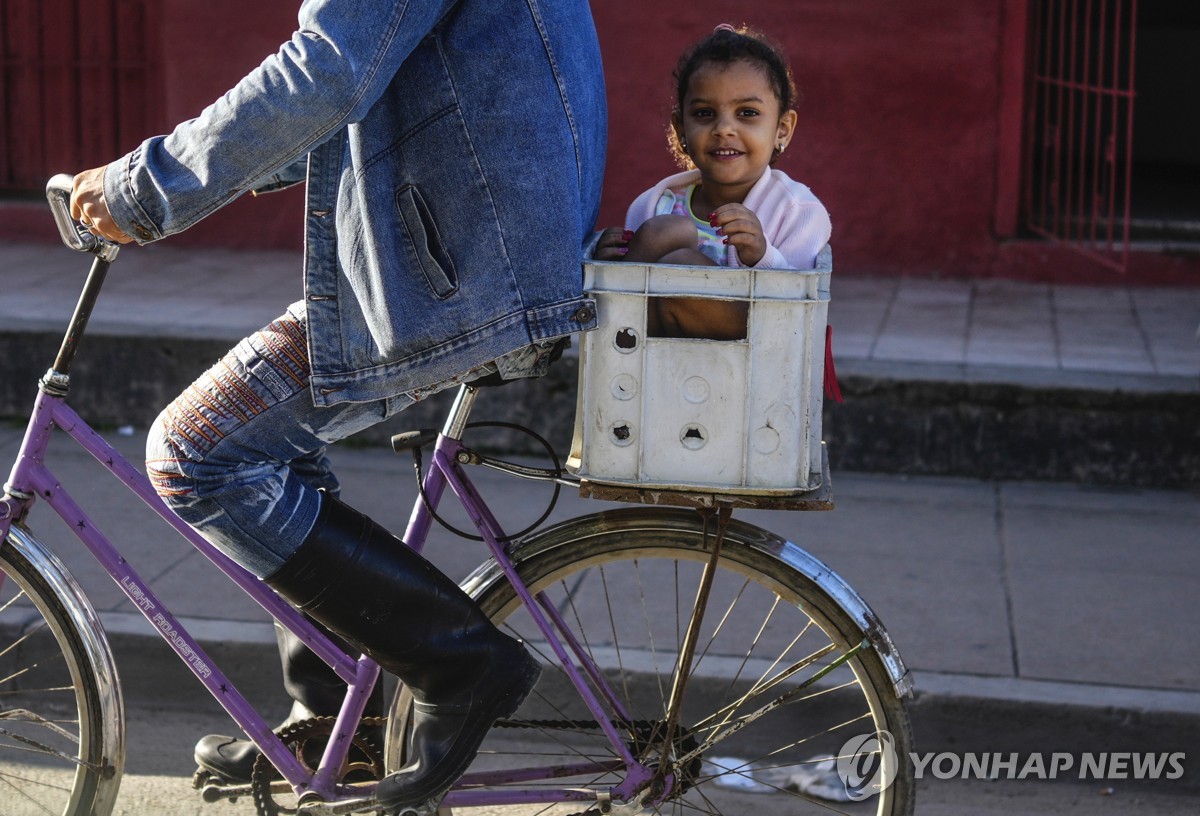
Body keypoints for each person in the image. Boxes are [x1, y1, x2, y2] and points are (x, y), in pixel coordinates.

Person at [68, 1, 606, 813]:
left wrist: (146, 188)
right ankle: (335, 718)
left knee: (193, 452)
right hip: (474, 245)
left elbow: (329, 69)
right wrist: (230, 162)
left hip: (468, 264)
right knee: (265, 453)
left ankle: (458, 661)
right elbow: (359, 85)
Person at [594, 24, 830, 340]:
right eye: (705, 113)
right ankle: (618, 346)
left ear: (782, 129)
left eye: (747, 112)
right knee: (668, 231)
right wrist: (609, 261)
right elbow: (637, 286)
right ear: (681, 129)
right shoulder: (656, 203)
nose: (724, 129)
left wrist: (762, 255)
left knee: (680, 262)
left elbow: (797, 308)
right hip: (653, 350)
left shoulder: (797, 210)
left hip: (752, 348)